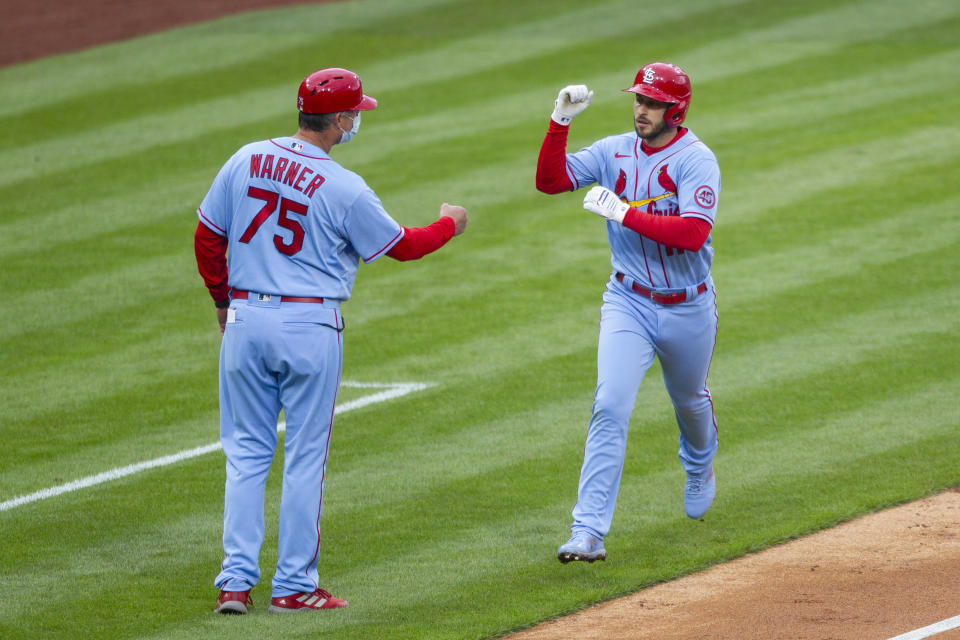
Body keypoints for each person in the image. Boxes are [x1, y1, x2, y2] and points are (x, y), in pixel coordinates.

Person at [194, 67, 468, 613]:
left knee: (246, 455)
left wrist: (224, 304)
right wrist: (448, 224)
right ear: (339, 119)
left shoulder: (244, 157)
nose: (356, 120)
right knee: (303, 458)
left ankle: (234, 585)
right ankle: (294, 587)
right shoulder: (345, 187)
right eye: (354, 113)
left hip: (246, 318)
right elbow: (405, 247)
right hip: (309, 327)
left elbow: (207, 237)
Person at [535, 62, 720, 563]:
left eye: (653, 102)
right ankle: (588, 530)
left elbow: (693, 234)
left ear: (675, 110)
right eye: (639, 99)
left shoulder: (696, 160)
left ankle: (700, 461)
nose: (641, 109)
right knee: (610, 405)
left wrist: (622, 211)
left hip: (688, 306)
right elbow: (550, 183)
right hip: (628, 301)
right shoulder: (613, 150)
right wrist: (560, 122)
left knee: (689, 401)